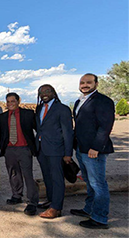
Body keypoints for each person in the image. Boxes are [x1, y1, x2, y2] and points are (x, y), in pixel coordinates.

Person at [70, 73, 115, 229]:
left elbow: (105, 126)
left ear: (96, 83)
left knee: (98, 184)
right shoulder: (78, 101)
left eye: (88, 82)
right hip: (82, 149)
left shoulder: (103, 101)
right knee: (89, 182)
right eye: (82, 82)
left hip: (93, 151)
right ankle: (89, 209)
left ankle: (100, 218)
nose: (85, 85)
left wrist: (96, 147)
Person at [35, 84, 73, 218]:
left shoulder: (62, 109)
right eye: (41, 92)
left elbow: (68, 132)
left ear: (54, 92)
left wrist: (68, 153)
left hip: (56, 149)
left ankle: (56, 208)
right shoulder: (39, 108)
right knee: (47, 177)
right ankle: (51, 200)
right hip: (41, 149)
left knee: (57, 178)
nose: (44, 94)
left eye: (47, 91)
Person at [0, 92, 38, 215]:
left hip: (24, 149)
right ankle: (16, 195)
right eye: (8, 101)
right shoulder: (2, 117)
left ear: (18, 101)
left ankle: (32, 202)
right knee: (13, 174)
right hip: (9, 149)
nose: (10, 103)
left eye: (13, 101)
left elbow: (38, 130)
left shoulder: (28, 114)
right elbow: (2, 134)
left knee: (28, 175)